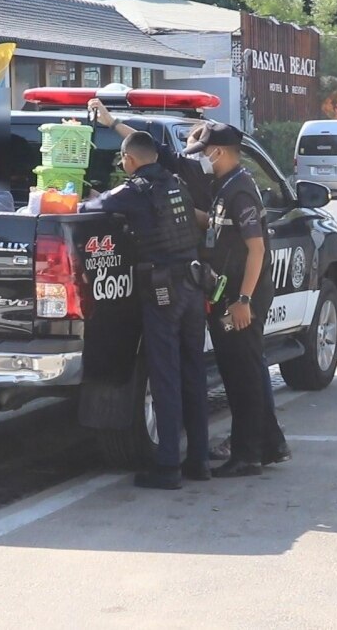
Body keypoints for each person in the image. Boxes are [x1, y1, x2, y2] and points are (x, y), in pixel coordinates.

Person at [88, 102, 290, 477]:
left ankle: (248, 453)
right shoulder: (221, 186)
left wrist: (244, 300)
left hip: (238, 296)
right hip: (215, 290)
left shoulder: (240, 190)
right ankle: (264, 445)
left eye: (204, 153)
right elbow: (203, 216)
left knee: (243, 371)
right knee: (232, 369)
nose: (200, 160)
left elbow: (256, 247)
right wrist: (172, 205)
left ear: (220, 152)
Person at [79, 131, 210, 489]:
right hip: (194, 285)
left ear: (131, 160)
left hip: (164, 290)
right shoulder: (176, 184)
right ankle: (199, 459)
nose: (123, 166)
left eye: (123, 161)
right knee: (193, 371)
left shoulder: (133, 191)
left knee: (164, 374)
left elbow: (89, 209)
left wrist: (90, 197)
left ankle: (168, 466)